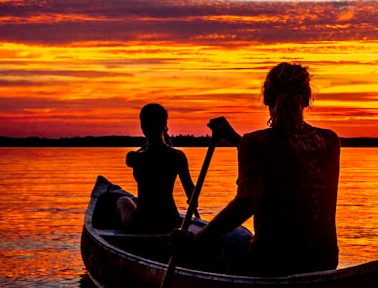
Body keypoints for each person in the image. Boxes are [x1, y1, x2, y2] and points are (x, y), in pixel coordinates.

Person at [176, 62, 340, 275]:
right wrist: (237, 140)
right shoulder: (329, 140)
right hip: (324, 261)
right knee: (237, 235)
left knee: (229, 237)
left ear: (266, 99)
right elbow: (288, 160)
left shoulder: (256, 144)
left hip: (271, 263)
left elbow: (246, 204)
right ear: (307, 98)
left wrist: (196, 239)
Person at [117, 103, 197, 233]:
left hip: (142, 222)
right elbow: (192, 194)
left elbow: (147, 153)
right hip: (170, 219)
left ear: (143, 127)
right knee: (134, 200)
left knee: (123, 200)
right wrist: (193, 203)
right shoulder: (179, 156)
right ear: (165, 125)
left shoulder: (135, 157)